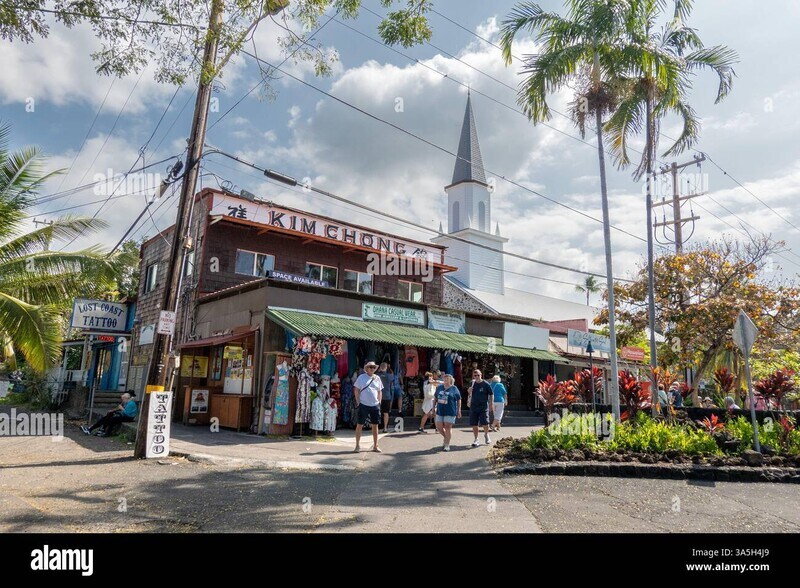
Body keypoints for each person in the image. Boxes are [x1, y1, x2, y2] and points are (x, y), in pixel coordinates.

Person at [353, 361, 383, 453]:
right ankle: (357, 445)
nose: (372, 369)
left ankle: (375, 445)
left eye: (374, 367)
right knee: (360, 424)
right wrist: (358, 402)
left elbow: (379, 391)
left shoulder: (377, 378)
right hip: (364, 404)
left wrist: (379, 402)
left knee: (375, 425)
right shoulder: (361, 377)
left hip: (375, 404)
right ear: (366, 368)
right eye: (370, 367)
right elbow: (356, 390)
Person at [434, 374, 461, 451]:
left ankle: (447, 444)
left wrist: (459, 410)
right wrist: (433, 408)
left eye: (447, 378)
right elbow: (435, 398)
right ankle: (446, 437)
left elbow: (459, 399)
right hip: (440, 410)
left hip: (450, 410)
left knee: (448, 427)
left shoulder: (454, 388)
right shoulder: (439, 387)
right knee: (439, 427)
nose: (445, 379)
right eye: (444, 378)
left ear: (450, 380)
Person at [467, 369, 493, 446]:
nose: (477, 377)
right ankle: (476, 439)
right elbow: (469, 394)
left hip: (483, 406)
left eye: (478, 375)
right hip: (473, 406)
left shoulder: (486, 384)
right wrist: (469, 391)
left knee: (485, 423)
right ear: (473, 376)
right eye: (475, 375)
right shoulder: (472, 383)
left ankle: (486, 434)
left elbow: (491, 394)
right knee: (474, 424)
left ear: (481, 375)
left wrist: (491, 403)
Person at [376, 362, 393, 434]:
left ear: (380, 367)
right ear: (386, 368)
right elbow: (392, 376)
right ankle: (385, 427)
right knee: (386, 413)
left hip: (377, 396)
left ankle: (375, 427)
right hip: (387, 395)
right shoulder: (390, 376)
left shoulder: (377, 375)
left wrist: (378, 370)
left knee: (376, 412)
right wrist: (389, 368)